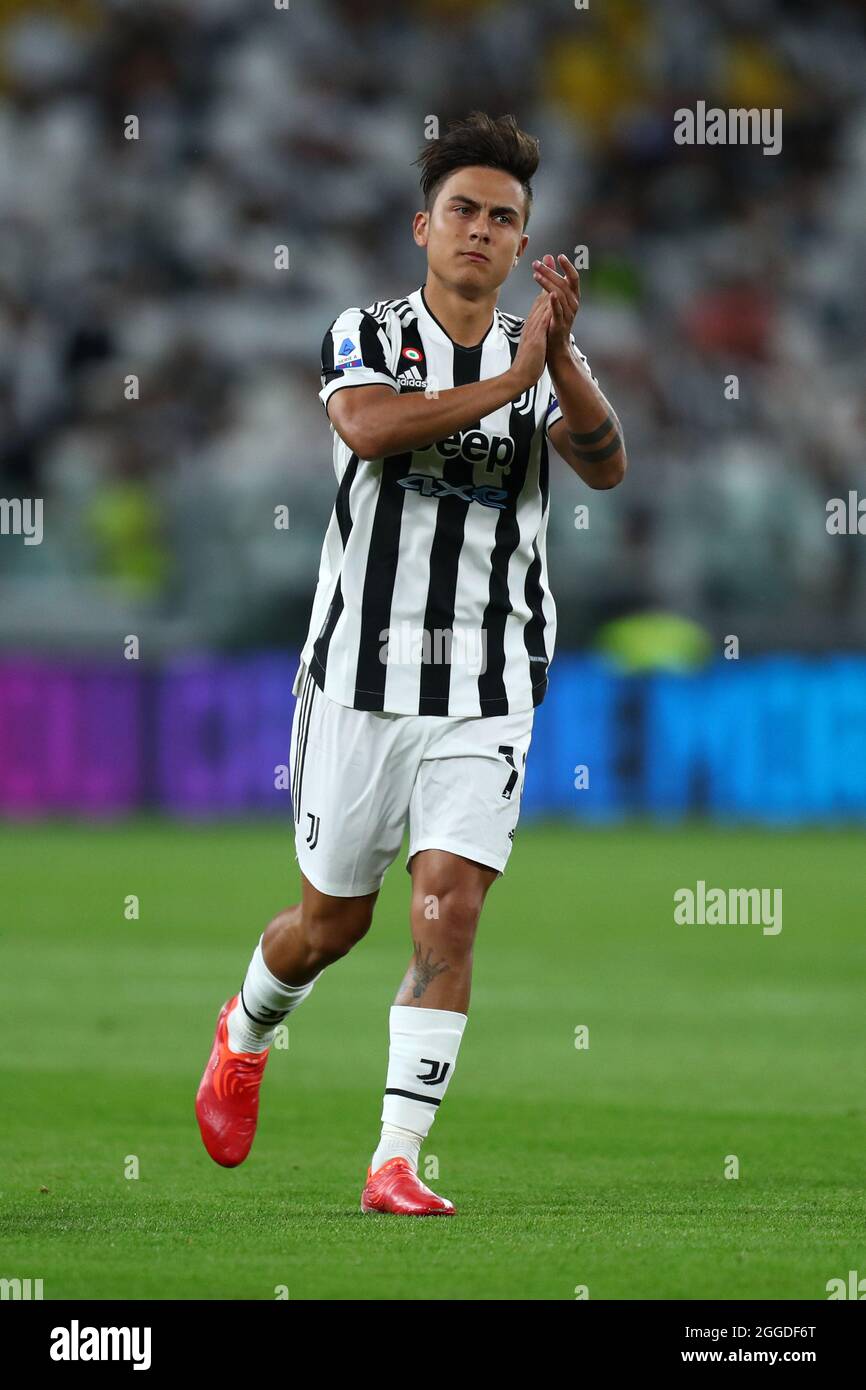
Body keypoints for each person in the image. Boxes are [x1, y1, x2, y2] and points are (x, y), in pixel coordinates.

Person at [196, 111, 626, 1215]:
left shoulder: (541, 353)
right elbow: (372, 431)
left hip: (487, 685)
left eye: (504, 218)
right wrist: (513, 377)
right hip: (358, 676)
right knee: (328, 926)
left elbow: (605, 463)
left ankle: (394, 1160)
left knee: (446, 910)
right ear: (421, 225)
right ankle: (245, 1030)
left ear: (523, 239)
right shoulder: (369, 331)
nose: (482, 232)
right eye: (464, 212)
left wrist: (558, 359)